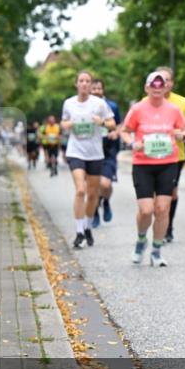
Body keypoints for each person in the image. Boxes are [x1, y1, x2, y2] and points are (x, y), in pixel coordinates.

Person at [120, 71, 185, 267]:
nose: (157, 89)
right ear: (147, 88)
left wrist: (181, 135)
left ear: (166, 88)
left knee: (162, 208)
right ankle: (141, 239)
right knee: (146, 209)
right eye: (153, 86)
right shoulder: (138, 109)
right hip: (143, 164)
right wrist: (132, 143)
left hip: (168, 163)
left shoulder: (174, 110)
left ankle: (157, 250)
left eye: (161, 86)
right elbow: (124, 131)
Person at [61, 72, 116, 248]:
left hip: (95, 153)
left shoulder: (99, 104)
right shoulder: (69, 103)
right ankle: (78, 232)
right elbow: (64, 122)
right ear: (76, 84)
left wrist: (101, 122)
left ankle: (87, 226)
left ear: (91, 85)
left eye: (87, 81)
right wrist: (67, 125)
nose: (84, 84)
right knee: (80, 190)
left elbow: (112, 124)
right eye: (81, 81)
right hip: (75, 151)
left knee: (93, 195)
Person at [143, 67, 185, 243]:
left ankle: (168, 226)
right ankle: (154, 225)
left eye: (166, 80)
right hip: (149, 157)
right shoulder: (145, 102)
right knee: (151, 198)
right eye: (158, 80)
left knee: (170, 194)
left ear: (171, 83)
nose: (162, 84)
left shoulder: (181, 103)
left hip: (174, 156)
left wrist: (183, 131)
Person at [90, 78, 122, 228]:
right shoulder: (85, 107)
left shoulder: (112, 106)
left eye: (99, 88)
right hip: (90, 150)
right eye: (93, 88)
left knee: (105, 184)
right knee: (94, 185)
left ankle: (106, 201)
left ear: (103, 90)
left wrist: (115, 132)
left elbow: (119, 125)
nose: (96, 91)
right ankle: (95, 211)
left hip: (109, 150)